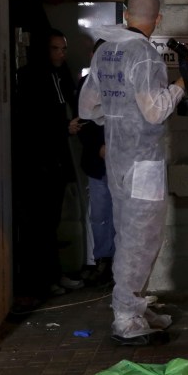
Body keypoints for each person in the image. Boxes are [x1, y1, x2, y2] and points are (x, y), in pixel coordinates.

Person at [78, 0, 188, 345]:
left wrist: (117, 121)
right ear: (157, 19)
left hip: (117, 157)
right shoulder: (144, 54)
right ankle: (126, 318)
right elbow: (155, 110)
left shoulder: (104, 50)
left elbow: (88, 108)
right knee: (142, 241)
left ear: (125, 14)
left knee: (127, 234)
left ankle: (135, 305)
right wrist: (185, 80)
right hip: (143, 163)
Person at [13, 28, 85, 300]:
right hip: (38, 163)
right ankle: (44, 279)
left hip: (56, 159)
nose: (62, 53)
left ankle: (53, 275)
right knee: (39, 224)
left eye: (63, 48)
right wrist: (63, 128)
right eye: (56, 48)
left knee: (51, 222)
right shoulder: (31, 77)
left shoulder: (61, 75)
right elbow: (31, 121)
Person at [76, 40, 114, 288]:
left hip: (120, 162)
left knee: (122, 216)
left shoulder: (120, 82)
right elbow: (83, 122)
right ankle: (103, 261)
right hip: (97, 164)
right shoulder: (85, 85)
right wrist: (97, 147)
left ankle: (116, 264)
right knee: (100, 215)